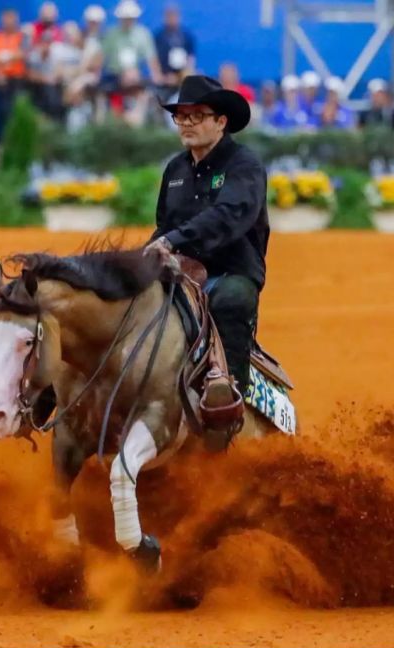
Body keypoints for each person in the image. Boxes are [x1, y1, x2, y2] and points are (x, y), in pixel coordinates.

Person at [144, 75, 269, 451]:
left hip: (231, 271)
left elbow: (230, 215)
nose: (186, 124)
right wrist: (144, 254)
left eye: (197, 115)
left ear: (221, 121)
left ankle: (227, 401)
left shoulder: (244, 165)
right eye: (180, 117)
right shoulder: (176, 171)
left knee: (231, 300)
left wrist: (172, 241)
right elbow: (164, 226)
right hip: (181, 272)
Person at [102, 0, 161, 87]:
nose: (127, 20)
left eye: (130, 18)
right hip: (114, 75)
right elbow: (102, 55)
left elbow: (151, 57)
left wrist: (156, 74)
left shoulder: (143, 34)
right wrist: (95, 74)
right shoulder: (111, 34)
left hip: (136, 75)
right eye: (125, 18)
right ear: (120, 18)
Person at [0, 8, 26, 141]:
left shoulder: (21, 36)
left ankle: (14, 138)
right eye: (6, 20)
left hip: (16, 78)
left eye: (11, 19)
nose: (8, 22)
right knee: (0, 109)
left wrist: (5, 56)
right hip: (0, 78)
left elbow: (22, 54)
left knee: (13, 109)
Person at [154, 3, 195, 86]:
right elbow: (155, 58)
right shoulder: (159, 36)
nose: (172, 18)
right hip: (165, 75)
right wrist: (160, 76)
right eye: (169, 16)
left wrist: (184, 74)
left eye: (174, 16)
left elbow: (191, 57)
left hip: (182, 74)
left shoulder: (187, 35)